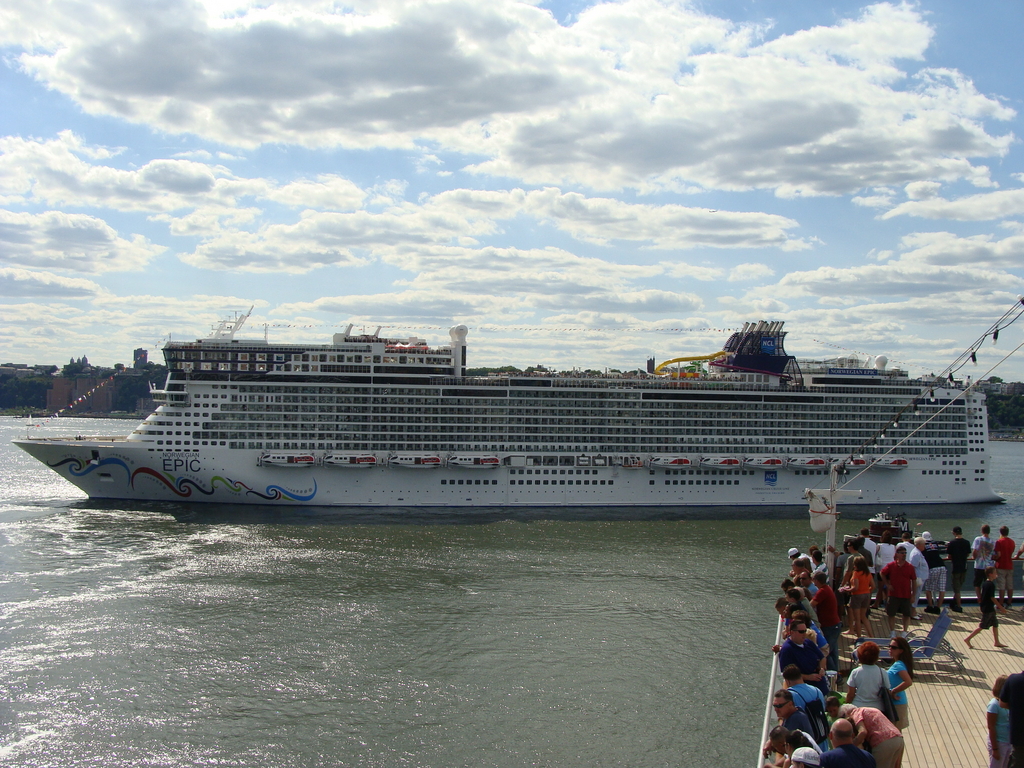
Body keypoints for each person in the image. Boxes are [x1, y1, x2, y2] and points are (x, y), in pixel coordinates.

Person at [838, 703, 905, 768]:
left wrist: (849, 748)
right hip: (898, 738)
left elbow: (863, 732)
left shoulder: (856, 713)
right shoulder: (870, 710)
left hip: (884, 742)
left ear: (846, 713)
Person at [777, 619, 830, 697]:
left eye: (805, 631)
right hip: (803, 691)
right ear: (792, 632)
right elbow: (786, 674)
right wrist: (809, 677)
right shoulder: (786, 650)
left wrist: (822, 669)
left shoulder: (808, 642)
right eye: (801, 632)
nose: (804, 634)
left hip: (820, 686)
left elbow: (822, 658)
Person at [965, 566, 1008, 649]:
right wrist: (1001, 607)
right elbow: (992, 598)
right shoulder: (990, 585)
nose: (996, 574)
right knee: (982, 626)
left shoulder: (985, 583)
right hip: (988, 608)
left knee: (995, 624)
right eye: (995, 573)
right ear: (990, 574)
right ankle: (968, 639)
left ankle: (997, 642)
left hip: (987, 607)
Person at [880, 546, 916, 635]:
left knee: (906, 614)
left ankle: (904, 631)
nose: (904, 555)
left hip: (906, 594)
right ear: (897, 554)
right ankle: (892, 631)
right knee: (891, 614)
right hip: (893, 594)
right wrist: (887, 584)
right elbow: (882, 573)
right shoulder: (891, 565)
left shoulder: (910, 567)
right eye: (902, 553)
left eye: (905, 553)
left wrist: (913, 594)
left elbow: (914, 580)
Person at [846, 641, 891, 711]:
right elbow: (888, 690)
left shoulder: (855, 672)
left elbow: (850, 694)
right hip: (877, 709)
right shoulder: (882, 672)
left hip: (858, 707)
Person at [812, 571, 842, 672]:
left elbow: (811, 604)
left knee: (825, 651)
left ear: (816, 580)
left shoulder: (822, 591)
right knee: (833, 651)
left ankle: (834, 675)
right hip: (835, 625)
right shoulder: (827, 589)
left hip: (830, 626)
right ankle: (836, 673)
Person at [886, 636, 914, 731]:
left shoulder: (898, 665)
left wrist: (893, 691)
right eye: (889, 646)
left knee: (895, 733)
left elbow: (908, 682)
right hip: (896, 703)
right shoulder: (898, 663)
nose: (890, 649)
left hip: (897, 704)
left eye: (893, 647)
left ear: (901, 650)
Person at [841, 556, 873, 638]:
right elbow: (873, 586)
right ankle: (871, 636)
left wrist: (846, 590)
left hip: (857, 596)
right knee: (864, 617)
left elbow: (856, 588)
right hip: (866, 595)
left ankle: (859, 637)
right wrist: (866, 590)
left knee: (857, 619)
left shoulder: (856, 573)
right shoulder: (867, 573)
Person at [946, 525, 972, 613]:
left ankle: (959, 606)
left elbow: (949, 556)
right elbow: (968, 554)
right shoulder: (967, 542)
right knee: (959, 586)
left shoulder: (952, 543)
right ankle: (954, 603)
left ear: (954, 533)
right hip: (964, 566)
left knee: (956, 588)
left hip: (956, 567)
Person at [988, 674, 1011, 768]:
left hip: (1009, 742)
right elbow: (991, 727)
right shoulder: (994, 704)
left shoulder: (1008, 702)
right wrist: (995, 749)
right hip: (999, 742)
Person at [921, 531, 947, 614]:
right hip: (942, 566)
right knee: (942, 589)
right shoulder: (935, 544)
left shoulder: (924, 546)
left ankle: (930, 606)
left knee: (928, 588)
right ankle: (938, 607)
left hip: (932, 567)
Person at [873, 530, 897, 608]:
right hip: (891, 569)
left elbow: (874, 555)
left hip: (881, 569)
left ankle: (876, 603)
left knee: (880, 588)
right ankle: (888, 605)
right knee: (888, 588)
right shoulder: (893, 547)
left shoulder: (879, 546)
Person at [906, 539, 929, 620]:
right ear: (918, 545)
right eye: (923, 544)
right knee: (915, 595)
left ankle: (914, 611)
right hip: (918, 578)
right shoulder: (916, 554)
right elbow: (913, 566)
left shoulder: (918, 553)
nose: (924, 546)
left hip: (920, 578)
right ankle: (912, 612)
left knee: (917, 594)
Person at [995, 526, 1016, 608]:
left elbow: (998, 555)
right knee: (1010, 585)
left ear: (1000, 532)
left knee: (1001, 586)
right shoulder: (1012, 542)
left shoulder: (999, 541)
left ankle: (1000, 603)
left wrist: (994, 558)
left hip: (1001, 565)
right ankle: (1009, 603)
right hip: (1009, 565)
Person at [975, 525, 996, 601]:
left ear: (982, 531)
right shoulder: (993, 542)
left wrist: (975, 557)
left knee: (977, 584)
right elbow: (994, 555)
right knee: (987, 584)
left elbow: (975, 551)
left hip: (979, 565)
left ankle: (980, 598)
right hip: (989, 566)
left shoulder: (978, 539)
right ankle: (986, 599)